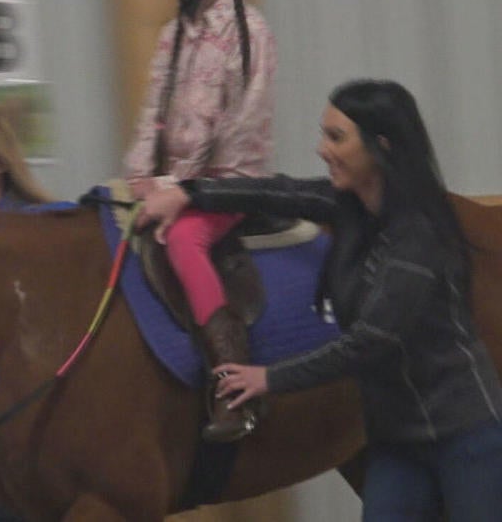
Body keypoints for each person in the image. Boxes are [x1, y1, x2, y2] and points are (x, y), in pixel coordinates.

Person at [138, 79, 502, 520]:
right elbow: (277, 192)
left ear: (380, 146)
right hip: (396, 441)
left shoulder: (418, 241)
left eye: (336, 137)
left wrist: (267, 379)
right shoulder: (349, 208)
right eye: (323, 134)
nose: (321, 148)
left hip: (463, 440)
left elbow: (369, 343)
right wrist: (189, 193)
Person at [123, 0, 276, 442]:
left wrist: (191, 190)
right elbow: (153, 114)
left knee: (185, 242)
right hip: (173, 185)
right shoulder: (172, 36)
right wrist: (143, 177)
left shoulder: (249, 30)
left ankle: (230, 384)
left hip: (227, 184)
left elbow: (244, 122)